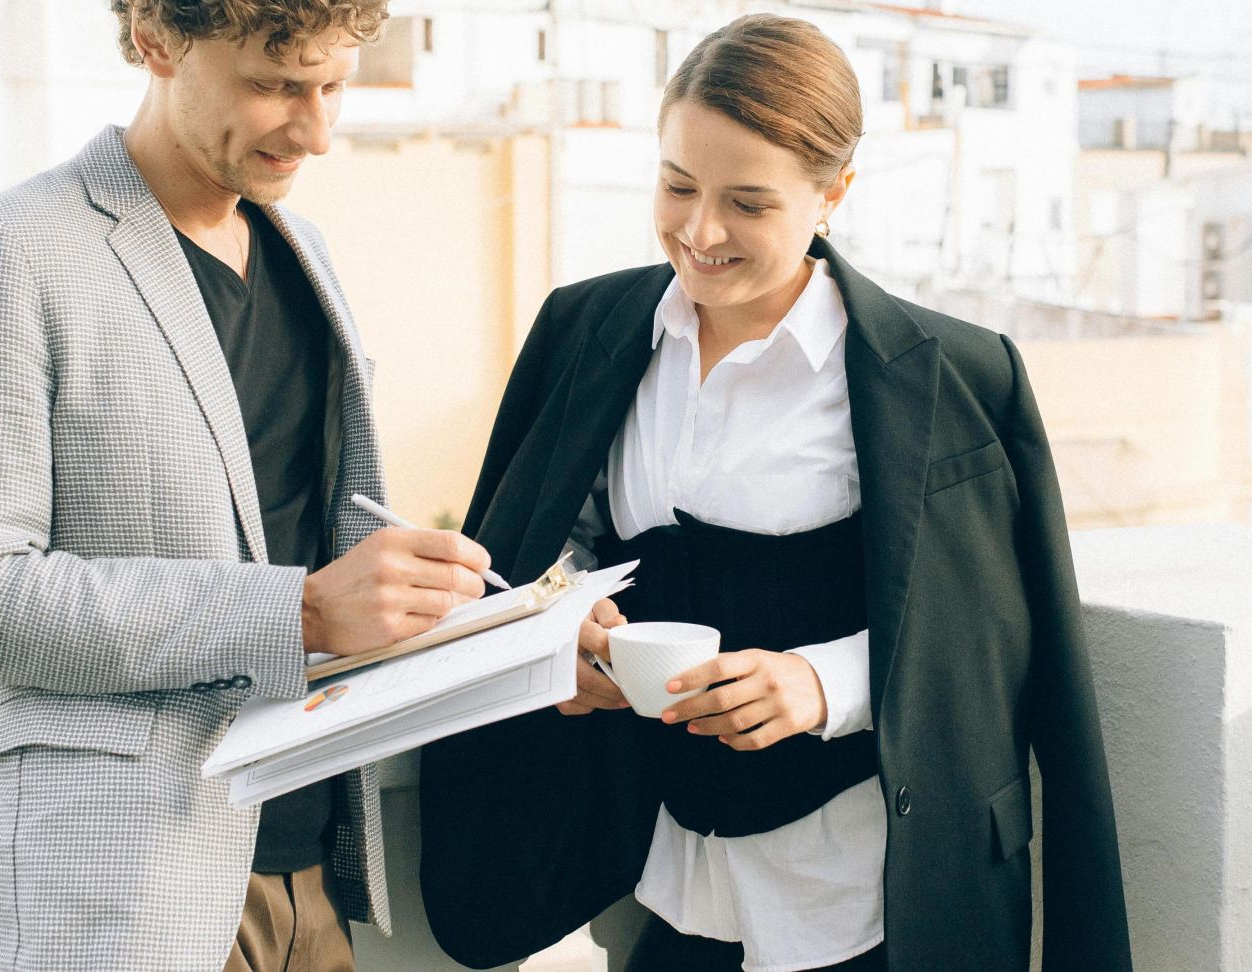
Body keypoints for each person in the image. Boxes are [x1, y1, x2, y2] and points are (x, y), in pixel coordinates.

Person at [418, 14, 1132, 971]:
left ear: (832, 194)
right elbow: (541, 541)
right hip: (655, 865)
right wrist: (562, 633)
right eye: (677, 186)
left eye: (748, 203)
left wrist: (821, 684)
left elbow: (993, 634)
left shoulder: (949, 376)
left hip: (867, 890)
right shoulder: (584, 325)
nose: (700, 231)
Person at [0, 2, 493, 969]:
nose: (316, 131)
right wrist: (296, 612)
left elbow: (320, 549)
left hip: (312, 877)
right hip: (120, 892)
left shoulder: (308, 255)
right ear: (154, 39)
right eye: (272, 87)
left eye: (334, 85)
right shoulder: (6, 252)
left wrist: (493, 626)